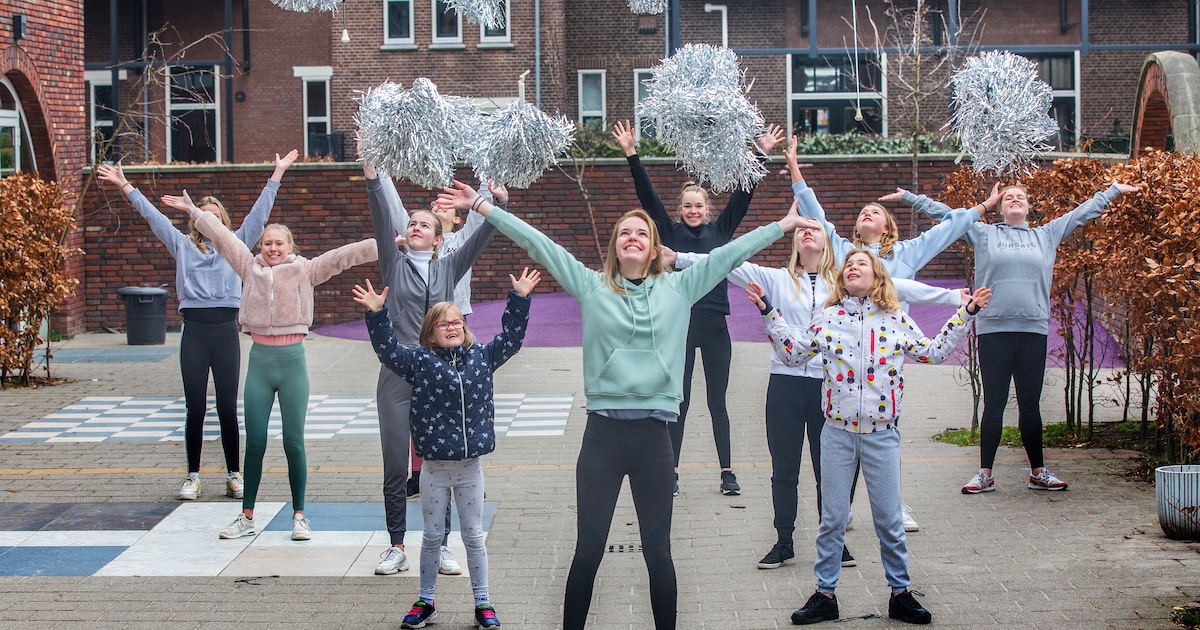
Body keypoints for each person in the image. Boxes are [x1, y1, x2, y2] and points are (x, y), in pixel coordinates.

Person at [437, 178, 807, 630]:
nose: (633, 238)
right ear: (615, 248)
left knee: (658, 553)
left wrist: (781, 226)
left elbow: (728, 255)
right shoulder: (592, 287)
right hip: (603, 439)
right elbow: (540, 244)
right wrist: (481, 206)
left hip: (655, 438)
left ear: (654, 249)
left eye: (642, 233)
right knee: (588, 550)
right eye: (625, 233)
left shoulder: (681, 288)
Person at [666, 220, 968, 572]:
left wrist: (952, 298)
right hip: (784, 384)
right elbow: (724, 260)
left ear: (826, 242)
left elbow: (901, 287)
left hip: (827, 387)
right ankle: (784, 541)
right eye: (801, 230)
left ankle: (836, 542)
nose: (807, 232)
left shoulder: (841, 282)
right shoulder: (774, 279)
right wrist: (677, 259)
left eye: (815, 229)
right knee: (784, 470)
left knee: (831, 471)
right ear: (794, 242)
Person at [750, 249, 991, 625]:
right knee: (832, 518)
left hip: (882, 435)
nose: (853, 268)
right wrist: (769, 312)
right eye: (848, 266)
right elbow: (793, 355)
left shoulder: (896, 319)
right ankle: (825, 595)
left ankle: (900, 594)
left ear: (878, 276)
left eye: (861, 263)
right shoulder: (828, 318)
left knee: (889, 520)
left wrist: (966, 314)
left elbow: (934, 353)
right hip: (837, 434)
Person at [788, 136, 991, 532]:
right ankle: (840, 508)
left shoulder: (907, 253)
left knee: (885, 432)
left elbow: (948, 231)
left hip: (887, 359)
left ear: (887, 226)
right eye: (863, 211)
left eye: (875, 211)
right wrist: (795, 169)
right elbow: (816, 214)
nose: (867, 213)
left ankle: (895, 505)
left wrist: (984, 207)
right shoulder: (845, 252)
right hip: (846, 359)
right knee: (845, 434)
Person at [161, 190, 377, 541]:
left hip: (292, 363)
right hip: (260, 363)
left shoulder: (305, 270)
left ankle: (299, 516)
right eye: (267, 244)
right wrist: (192, 211)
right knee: (257, 442)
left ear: (290, 246)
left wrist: (385, 241)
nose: (272, 249)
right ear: (260, 248)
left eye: (279, 243)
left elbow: (343, 256)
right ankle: (246, 516)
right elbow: (223, 237)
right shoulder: (248, 267)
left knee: (294, 441)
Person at [898, 179, 1139, 494]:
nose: (1013, 199)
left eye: (1019, 197)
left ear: (1028, 207)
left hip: (1031, 330)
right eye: (1007, 196)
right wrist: (911, 197)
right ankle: (984, 473)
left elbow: (1081, 213)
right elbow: (949, 217)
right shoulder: (984, 233)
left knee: (1030, 405)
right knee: (994, 403)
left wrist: (1113, 191)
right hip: (993, 330)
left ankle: (1038, 472)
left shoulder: (1046, 235)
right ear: (998, 206)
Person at [96, 151, 298, 501]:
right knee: (195, 406)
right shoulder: (182, 245)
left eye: (215, 218)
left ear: (222, 223)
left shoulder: (235, 246)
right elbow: (152, 216)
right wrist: (124, 184)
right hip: (194, 331)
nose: (209, 222)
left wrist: (277, 174)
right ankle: (193, 474)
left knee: (226, 407)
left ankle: (234, 474)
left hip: (224, 331)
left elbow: (260, 214)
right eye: (203, 216)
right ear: (195, 220)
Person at [353, 268, 539, 630]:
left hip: (471, 469)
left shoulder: (483, 357)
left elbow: (512, 340)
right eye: (443, 324)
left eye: (457, 322)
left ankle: (483, 603)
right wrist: (376, 314)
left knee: (473, 537)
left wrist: (520, 300)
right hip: (435, 471)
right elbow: (388, 351)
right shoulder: (419, 362)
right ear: (430, 333)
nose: (452, 327)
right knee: (433, 538)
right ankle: (426, 601)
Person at [612, 120, 785, 497]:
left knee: (717, 402)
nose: (693, 211)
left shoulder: (720, 232)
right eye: (687, 206)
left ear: (707, 210)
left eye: (698, 206)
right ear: (680, 210)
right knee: (681, 400)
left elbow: (743, 196)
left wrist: (761, 154)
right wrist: (631, 153)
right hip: (681, 327)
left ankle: (727, 473)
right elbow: (647, 197)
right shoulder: (669, 233)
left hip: (715, 327)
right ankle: (670, 472)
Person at [362, 154, 500, 577]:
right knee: (393, 463)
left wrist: (497, 203)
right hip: (396, 377)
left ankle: (439, 547)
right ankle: (396, 544)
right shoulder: (394, 264)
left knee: (442, 466)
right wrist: (372, 175)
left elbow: (483, 235)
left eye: (425, 224)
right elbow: (382, 218)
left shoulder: (449, 268)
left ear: (440, 239)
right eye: (413, 223)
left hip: (440, 379)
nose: (417, 226)